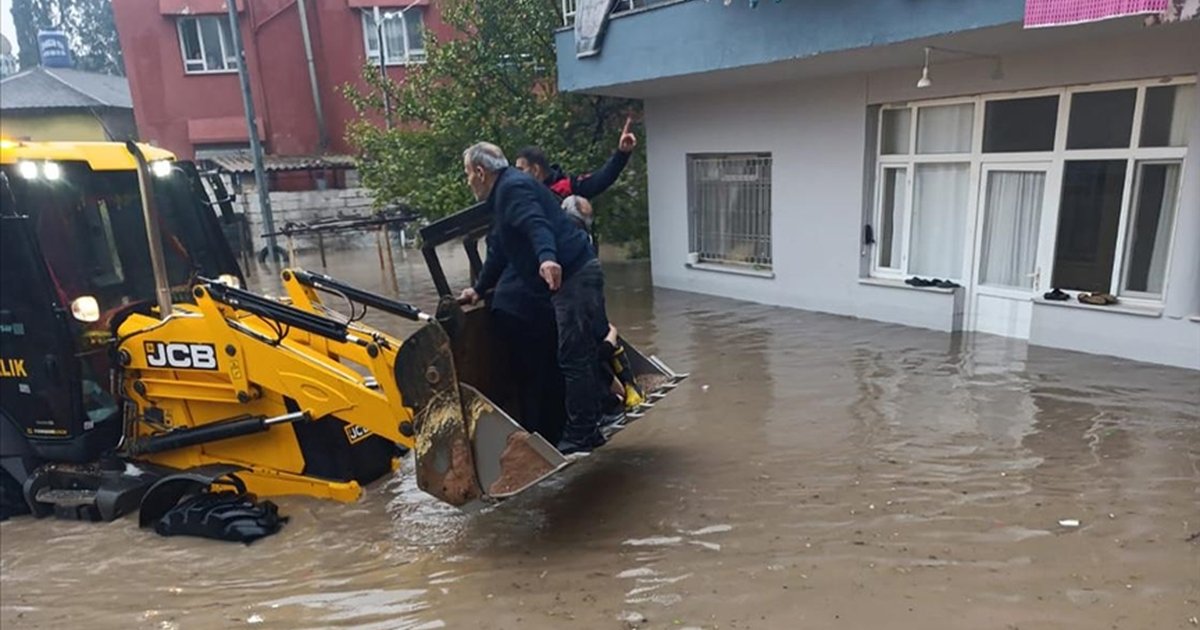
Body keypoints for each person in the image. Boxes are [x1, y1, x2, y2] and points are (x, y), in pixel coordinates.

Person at [458, 142, 609, 455]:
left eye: (467, 174)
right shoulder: (503, 196)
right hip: (571, 272)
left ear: (481, 172)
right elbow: (500, 249)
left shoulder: (513, 189)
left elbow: (535, 224)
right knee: (573, 352)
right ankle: (586, 426)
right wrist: (479, 288)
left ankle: (584, 432)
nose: (467, 181)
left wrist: (547, 258)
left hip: (573, 273)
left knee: (573, 355)